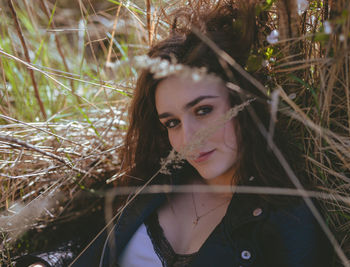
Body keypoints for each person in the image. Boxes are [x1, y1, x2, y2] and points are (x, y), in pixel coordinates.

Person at [19, 1, 332, 266]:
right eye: (172, 122)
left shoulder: (288, 219)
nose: (188, 137)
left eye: (203, 111)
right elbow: (89, 244)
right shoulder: (156, 181)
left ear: (243, 103)